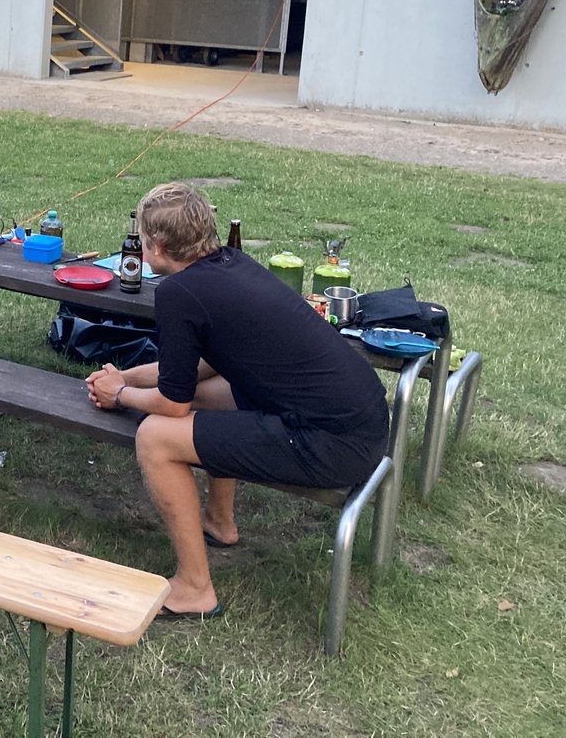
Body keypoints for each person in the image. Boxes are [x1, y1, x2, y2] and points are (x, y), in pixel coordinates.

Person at [86, 182, 389, 620]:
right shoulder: (233, 263)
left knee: (155, 436)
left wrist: (120, 395)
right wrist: (125, 376)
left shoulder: (178, 293)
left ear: (157, 247)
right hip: (364, 422)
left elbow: (172, 404)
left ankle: (194, 588)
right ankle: (219, 521)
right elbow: (203, 367)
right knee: (210, 396)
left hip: (329, 444)